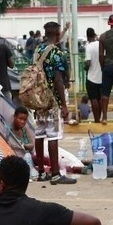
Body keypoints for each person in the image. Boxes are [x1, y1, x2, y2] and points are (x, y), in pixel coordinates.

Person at [33, 21, 76, 185]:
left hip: (38, 99)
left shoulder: (38, 50)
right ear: (57, 33)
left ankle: (42, 173)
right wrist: (64, 105)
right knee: (53, 135)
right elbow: (58, 79)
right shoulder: (57, 54)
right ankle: (56, 173)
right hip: (52, 100)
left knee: (39, 133)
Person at [84, 27, 103, 122]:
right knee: (100, 98)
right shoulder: (100, 44)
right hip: (101, 76)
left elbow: (88, 63)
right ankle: (100, 117)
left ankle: (96, 119)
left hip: (91, 77)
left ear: (87, 36)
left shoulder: (89, 47)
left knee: (93, 98)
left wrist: (85, 68)